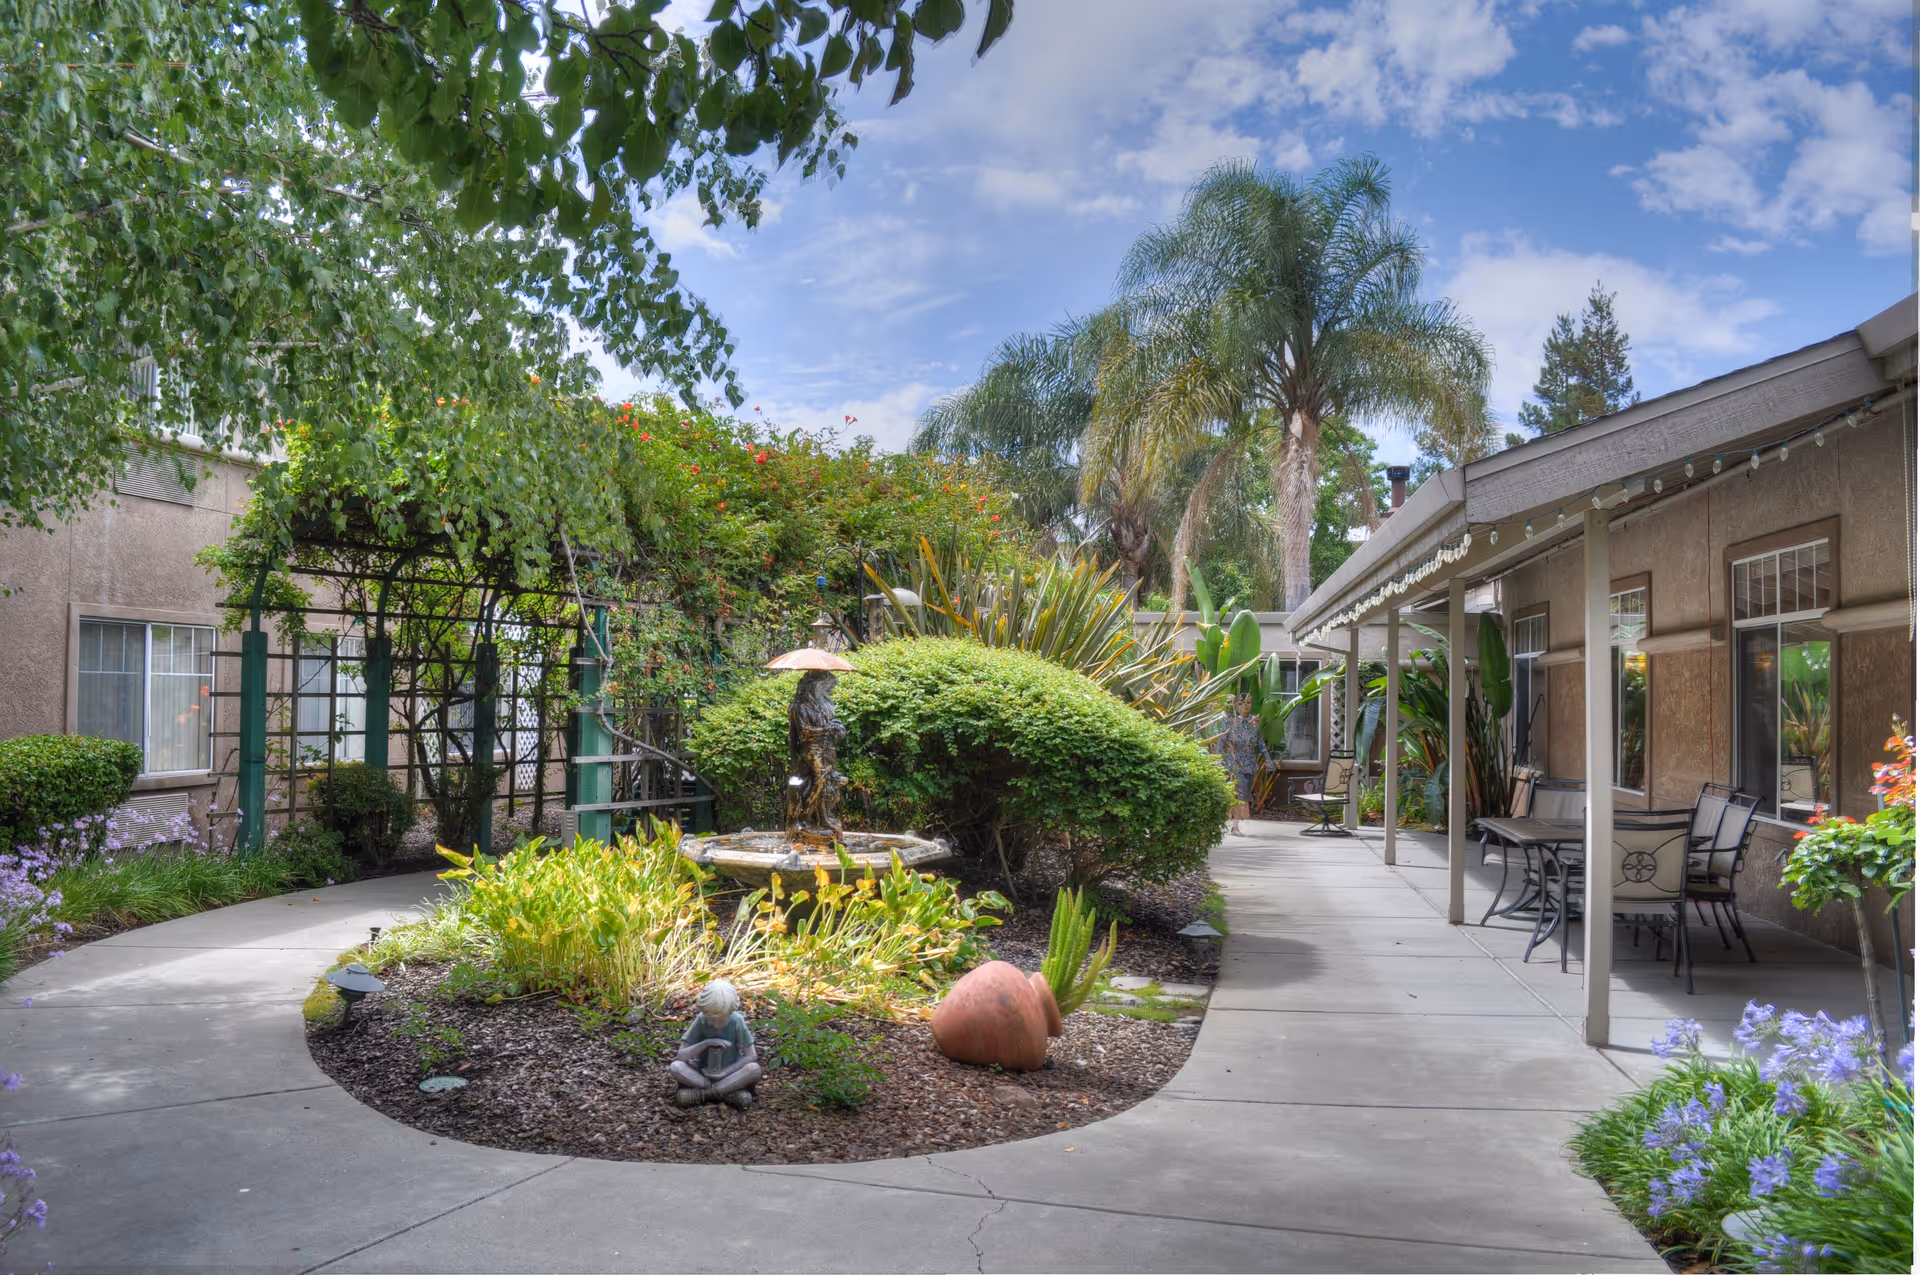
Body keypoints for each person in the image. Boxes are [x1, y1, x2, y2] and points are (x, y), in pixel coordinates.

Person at [669, 979, 764, 1109]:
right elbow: (682, 1056)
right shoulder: (701, 1020)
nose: (716, 1024)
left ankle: (704, 1095)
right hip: (702, 1075)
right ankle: (727, 1094)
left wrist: (725, 1073)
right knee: (676, 1067)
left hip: (729, 1075)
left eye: (722, 1020)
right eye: (712, 1020)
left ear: (731, 1012)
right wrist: (706, 1043)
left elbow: (751, 1056)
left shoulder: (736, 1021)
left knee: (754, 1069)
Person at [1215, 694, 1267, 836]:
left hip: (1249, 763)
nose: (1246, 705)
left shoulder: (1254, 722)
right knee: (1239, 794)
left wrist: (1268, 760)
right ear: (1237, 705)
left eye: (1249, 702)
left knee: (1244, 793)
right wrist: (1218, 760)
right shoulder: (1229, 722)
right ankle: (1235, 826)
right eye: (1242, 702)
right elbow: (1222, 741)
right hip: (1234, 763)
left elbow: (1260, 743)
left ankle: (1231, 823)